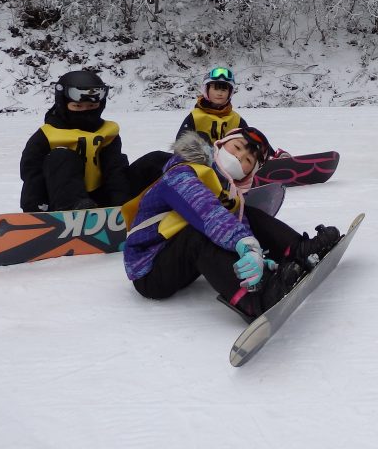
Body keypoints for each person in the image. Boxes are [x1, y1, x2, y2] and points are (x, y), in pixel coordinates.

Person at [122, 127, 341, 322]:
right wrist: (246, 245)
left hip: (179, 261)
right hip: (149, 270)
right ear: (220, 145)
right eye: (237, 147)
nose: (240, 157)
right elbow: (206, 211)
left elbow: (239, 227)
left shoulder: (230, 193)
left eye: (248, 160)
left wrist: (262, 261)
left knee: (249, 216)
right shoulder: (183, 170)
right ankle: (254, 301)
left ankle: (298, 251)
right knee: (199, 236)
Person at [20, 70, 133, 212]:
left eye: (92, 106)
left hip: (102, 200)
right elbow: (32, 174)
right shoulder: (47, 135)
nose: (85, 111)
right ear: (63, 104)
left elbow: (114, 169)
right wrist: (34, 208)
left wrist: (121, 202)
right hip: (61, 202)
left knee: (156, 160)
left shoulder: (107, 133)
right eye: (77, 106)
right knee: (60, 157)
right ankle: (73, 208)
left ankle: (161, 202)